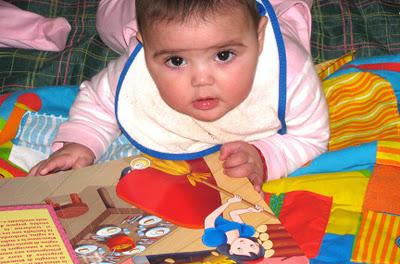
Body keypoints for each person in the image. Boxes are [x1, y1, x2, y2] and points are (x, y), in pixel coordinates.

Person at [29, 0, 329, 192]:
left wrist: (265, 157)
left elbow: (310, 137)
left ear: (260, 37)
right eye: (176, 61)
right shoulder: (138, 64)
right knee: (109, 21)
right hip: (132, 13)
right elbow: (99, 101)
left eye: (223, 55)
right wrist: (81, 143)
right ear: (144, 47)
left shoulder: (289, 71)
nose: (201, 80)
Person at [202, 194, 265, 263]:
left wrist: (229, 202)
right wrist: (249, 210)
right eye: (251, 245)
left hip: (202, 213)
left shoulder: (215, 240)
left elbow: (208, 219)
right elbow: (234, 214)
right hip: (216, 206)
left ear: (231, 252)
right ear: (256, 243)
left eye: (240, 249)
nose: (243, 244)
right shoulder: (246, 232)